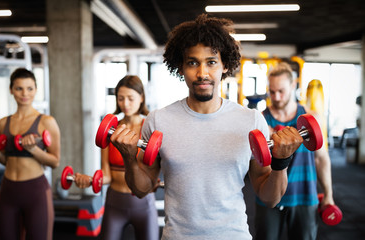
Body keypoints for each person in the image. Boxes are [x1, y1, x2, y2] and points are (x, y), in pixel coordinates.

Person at [109, 14, 304, 239]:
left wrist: (281, 163)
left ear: (224, 65)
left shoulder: (251, 120)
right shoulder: (158, 120)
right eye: (192, 62)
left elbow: (269, 198)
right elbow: (142, 189)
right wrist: (129, 158)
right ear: (180, 68)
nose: (202, 73)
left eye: (211, 62)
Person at [254, 63, 335, 240]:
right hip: (270, 197)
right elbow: (255, 164)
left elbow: (321, 159)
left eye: (281, 91)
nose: (276, 96)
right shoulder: (260, 120)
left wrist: (328, 195)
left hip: (304, 195)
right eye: (272, 91)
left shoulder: (311, 117)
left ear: (293, 85)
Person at [0, 68, 61, 240]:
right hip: (8, 191)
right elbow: (6, 160)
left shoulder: (46, 122)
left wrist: (33, 149)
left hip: (35, 191)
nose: (25, 93)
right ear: (11, 90)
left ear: (36, 90)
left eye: (30, 88)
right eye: (19, 88)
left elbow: (54, 162)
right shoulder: (3, 123)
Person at [74, 75, 159, 240]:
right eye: (121, 98)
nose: (125, 104)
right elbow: (106, 175)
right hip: (115, 201)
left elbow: (154, 172)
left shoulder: (149, 129)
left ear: (141, 98)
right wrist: (90, 180)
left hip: (144, 203)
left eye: (130, 98)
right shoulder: (110, 131)